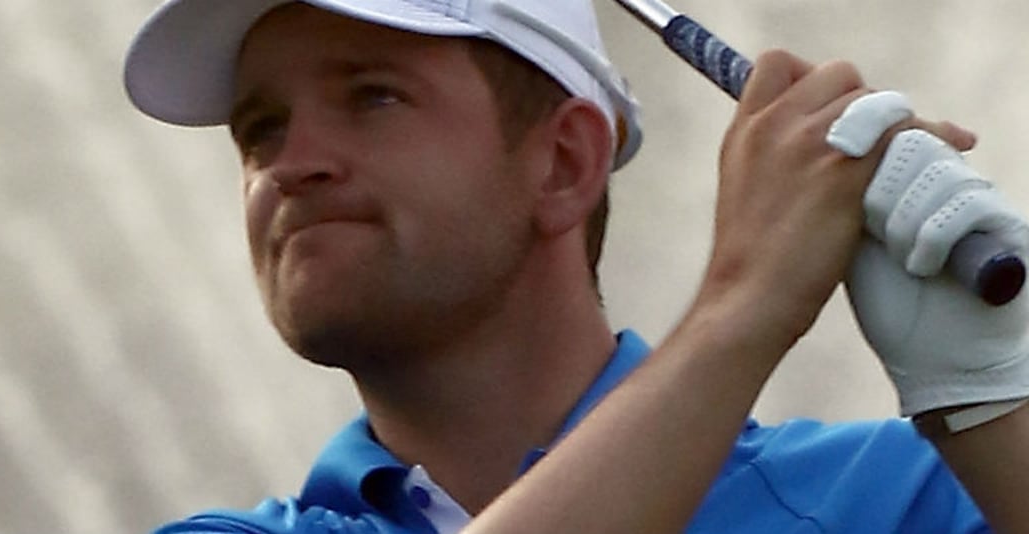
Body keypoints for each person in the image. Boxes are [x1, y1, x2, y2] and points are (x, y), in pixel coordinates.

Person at [123, 0, 1029, 532]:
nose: (292, 161)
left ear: (563, 162)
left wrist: (992, 397)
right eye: (260, 129)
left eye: (373, 96)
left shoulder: (902, 497)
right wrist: (746, 304)